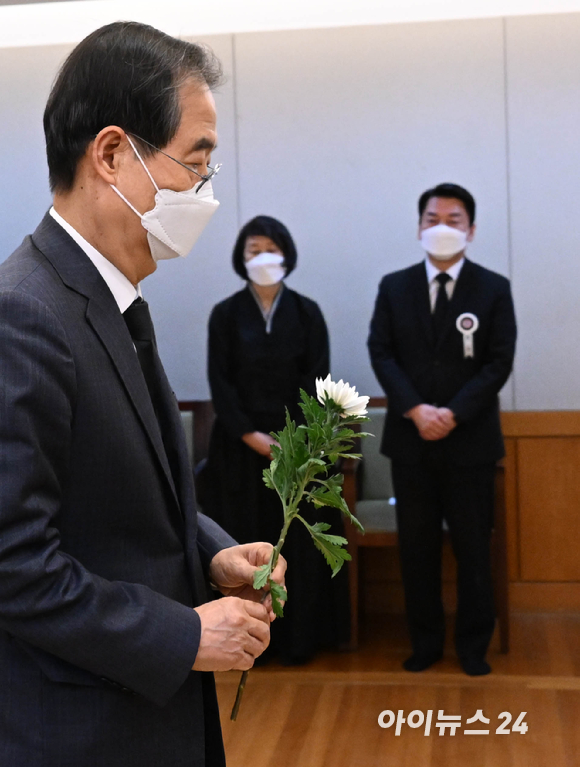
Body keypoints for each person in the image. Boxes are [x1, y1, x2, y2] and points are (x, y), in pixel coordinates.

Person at [0, 22, 286, 767]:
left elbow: (134, 504)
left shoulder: (113, 300)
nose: (205, 191)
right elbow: (15, 563)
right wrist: (185, 634)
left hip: (150, 719)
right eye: (196, 162)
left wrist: (216, 554)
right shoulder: (26, 313)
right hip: (82, 731)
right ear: (113, 153)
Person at [368, 182, 516, 677]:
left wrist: (452, 412)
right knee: (418, 550)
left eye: (454, 219)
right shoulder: (394, 286)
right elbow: (381, 352)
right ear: (419, 227)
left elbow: (498, 362)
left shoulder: (494, 288)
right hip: (411, 444)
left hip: (470, 442)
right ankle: (425, 643)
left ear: (471, 230)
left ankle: (473, 647)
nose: (442, 227)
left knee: (474, 549)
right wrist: (414, 409)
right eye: (433, 218)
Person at [200, 215, 349, 663]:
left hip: (296, 448)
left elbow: (317, 378)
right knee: (247, 543)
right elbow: (219, 382)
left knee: (296, 545)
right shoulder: (226, 314)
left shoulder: (306, 312)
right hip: (238, 449)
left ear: (286, 254)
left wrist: (290, 441)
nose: (262, 257)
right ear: (240, 259)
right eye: (252, 250)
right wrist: (251, 435)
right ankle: (244, 644)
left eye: (270, 248)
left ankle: (298, 641)